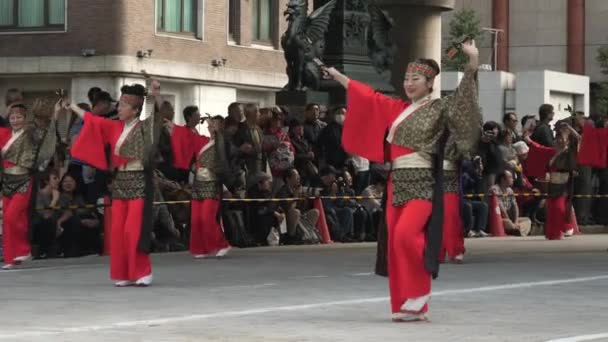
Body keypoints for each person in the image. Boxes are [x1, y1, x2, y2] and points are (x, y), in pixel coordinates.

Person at [324, 40, 481, 321]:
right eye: (407, 78)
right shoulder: (398, 108)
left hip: (423, 182)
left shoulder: (439, 108)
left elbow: (464, 102)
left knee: (406, 235)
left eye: (416, 78)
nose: (409, 83)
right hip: (397, 182)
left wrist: (472, 63)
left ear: (430, 82)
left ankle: (420, 290)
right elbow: (369, 97)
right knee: (394, 243)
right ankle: (406, 305)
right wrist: (338, 77)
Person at [67, 81, 163, 286]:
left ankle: (142, 270)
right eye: (118, 105)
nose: (117, 109)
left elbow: (153, 113)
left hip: (138, 182)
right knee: (118, 230)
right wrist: (73, 106)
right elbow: (92, 120)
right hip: (121, 182)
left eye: (122, 105)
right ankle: (124, 273)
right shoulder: (115, 127)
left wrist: (153, 93)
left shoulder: (145, 127)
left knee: (133, 230)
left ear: (136, 109)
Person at [1, 101, 58, 269]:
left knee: (12, 217)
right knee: (8, 220)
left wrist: (50, 115)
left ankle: (24, 249)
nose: (15, 120)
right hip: (7, 181)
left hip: (24, 180)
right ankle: (12, 258)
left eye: (19, 117)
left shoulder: (31, 133)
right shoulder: (4, 134)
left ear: (25, 119)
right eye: (12, 117)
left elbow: (44, 133)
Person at [168, 113, 232, 258]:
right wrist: (174, 128)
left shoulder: (223, 142)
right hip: (198, 183)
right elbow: (187, 137)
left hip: (212, 184)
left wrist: (217, 133)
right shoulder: (203, 141)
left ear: (221, 126)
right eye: (210, 124)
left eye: (214, 124)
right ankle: (201, 248)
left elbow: (222, 152)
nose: (210, 126)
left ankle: (222, 244)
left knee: (206, 217)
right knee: (196, 219)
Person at [524, 122, 580, 240]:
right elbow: (537, 148)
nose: (560, 141)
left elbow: (578, 138)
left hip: (565, 184)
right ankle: (553, 233)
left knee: (560, 208)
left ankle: (563, 228)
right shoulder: (551, 152)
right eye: (558, 138)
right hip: (552, 184)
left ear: (567, 140)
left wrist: (569, 128)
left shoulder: (569, 151)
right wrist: (527, 137)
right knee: (552, 209)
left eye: (562, 138)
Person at [490, 170, 532, 236]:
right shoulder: (495, 189)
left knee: (527, 220)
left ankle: (517, 231)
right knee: (508, 223)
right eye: (510, 177)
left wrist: (516, 221)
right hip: (499, 218)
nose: (512, 179)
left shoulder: (510, 190)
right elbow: (501, 208)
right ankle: (518, 230)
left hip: (510, 219)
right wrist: (510, 221)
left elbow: (515, 206)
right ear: (502, 179)